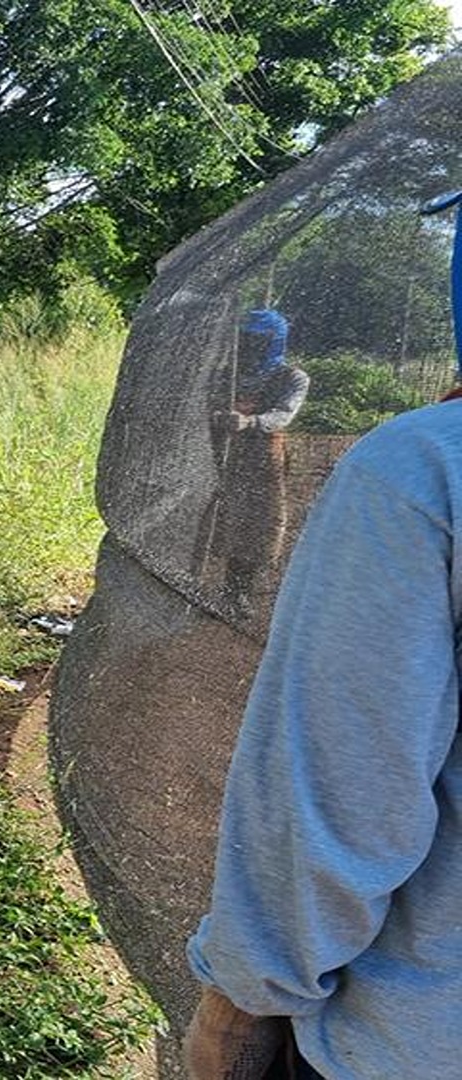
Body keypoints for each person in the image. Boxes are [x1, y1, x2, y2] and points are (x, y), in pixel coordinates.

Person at [184, 390, 462, 1078]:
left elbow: (348, 787)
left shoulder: (423, 464)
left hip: (408, 1045)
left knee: (258, 535)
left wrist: (245, 995)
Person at [202, 308, 310, 611]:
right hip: (220, 456)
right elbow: (204, 405)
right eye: (245, 340)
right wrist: (216, 416)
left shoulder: (292, 377)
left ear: (274, 342)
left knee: (258, 524)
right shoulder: (226, 374)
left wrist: (250, 422)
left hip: (263, 459)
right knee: (218, 518)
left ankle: (239, 590)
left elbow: (283, 414)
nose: (250, 347)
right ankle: (192, 580)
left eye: (258, 341)